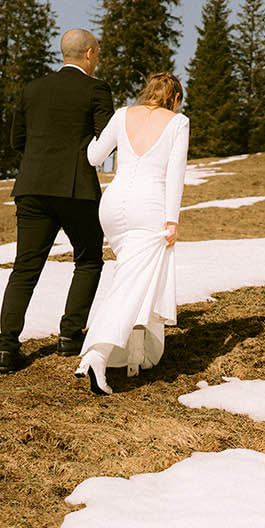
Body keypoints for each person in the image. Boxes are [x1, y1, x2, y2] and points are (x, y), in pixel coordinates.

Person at [0, 28, 113, 374]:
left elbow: (18, 140)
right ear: (89, 53)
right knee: (89, 259)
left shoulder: (33, 89)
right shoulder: (96, 89)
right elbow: (106, 141)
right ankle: (70, 336)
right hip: (77, 190)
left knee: (25, 267)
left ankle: (6, 348)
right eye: (98, 52)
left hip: (32, 188)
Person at [75, 71, 189, 394]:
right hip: (149, 206)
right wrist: (172, 220)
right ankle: (98, 356)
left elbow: (94, 157)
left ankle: (128, 357)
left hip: (112, 205)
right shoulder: (178, 123)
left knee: (128, 279)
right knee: (133, 284)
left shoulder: (122, 114)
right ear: (175, 99)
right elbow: (176, 175)